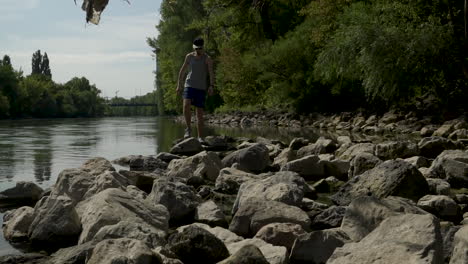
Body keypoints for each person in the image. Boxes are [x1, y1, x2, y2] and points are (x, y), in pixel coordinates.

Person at [176, 37, 215, 141]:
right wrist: (179, 84)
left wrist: (211, 86)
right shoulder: (189, 57)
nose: (198, 50)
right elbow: (182, 71)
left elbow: (211, 73)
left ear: (203, 47)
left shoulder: (207, 58)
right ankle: (188, 129)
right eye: (196, 48)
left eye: (200, 48)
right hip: (189, 85)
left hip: (201, 87)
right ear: (194, 48)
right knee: (186, 105)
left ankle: (200, 137)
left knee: (199, 113)